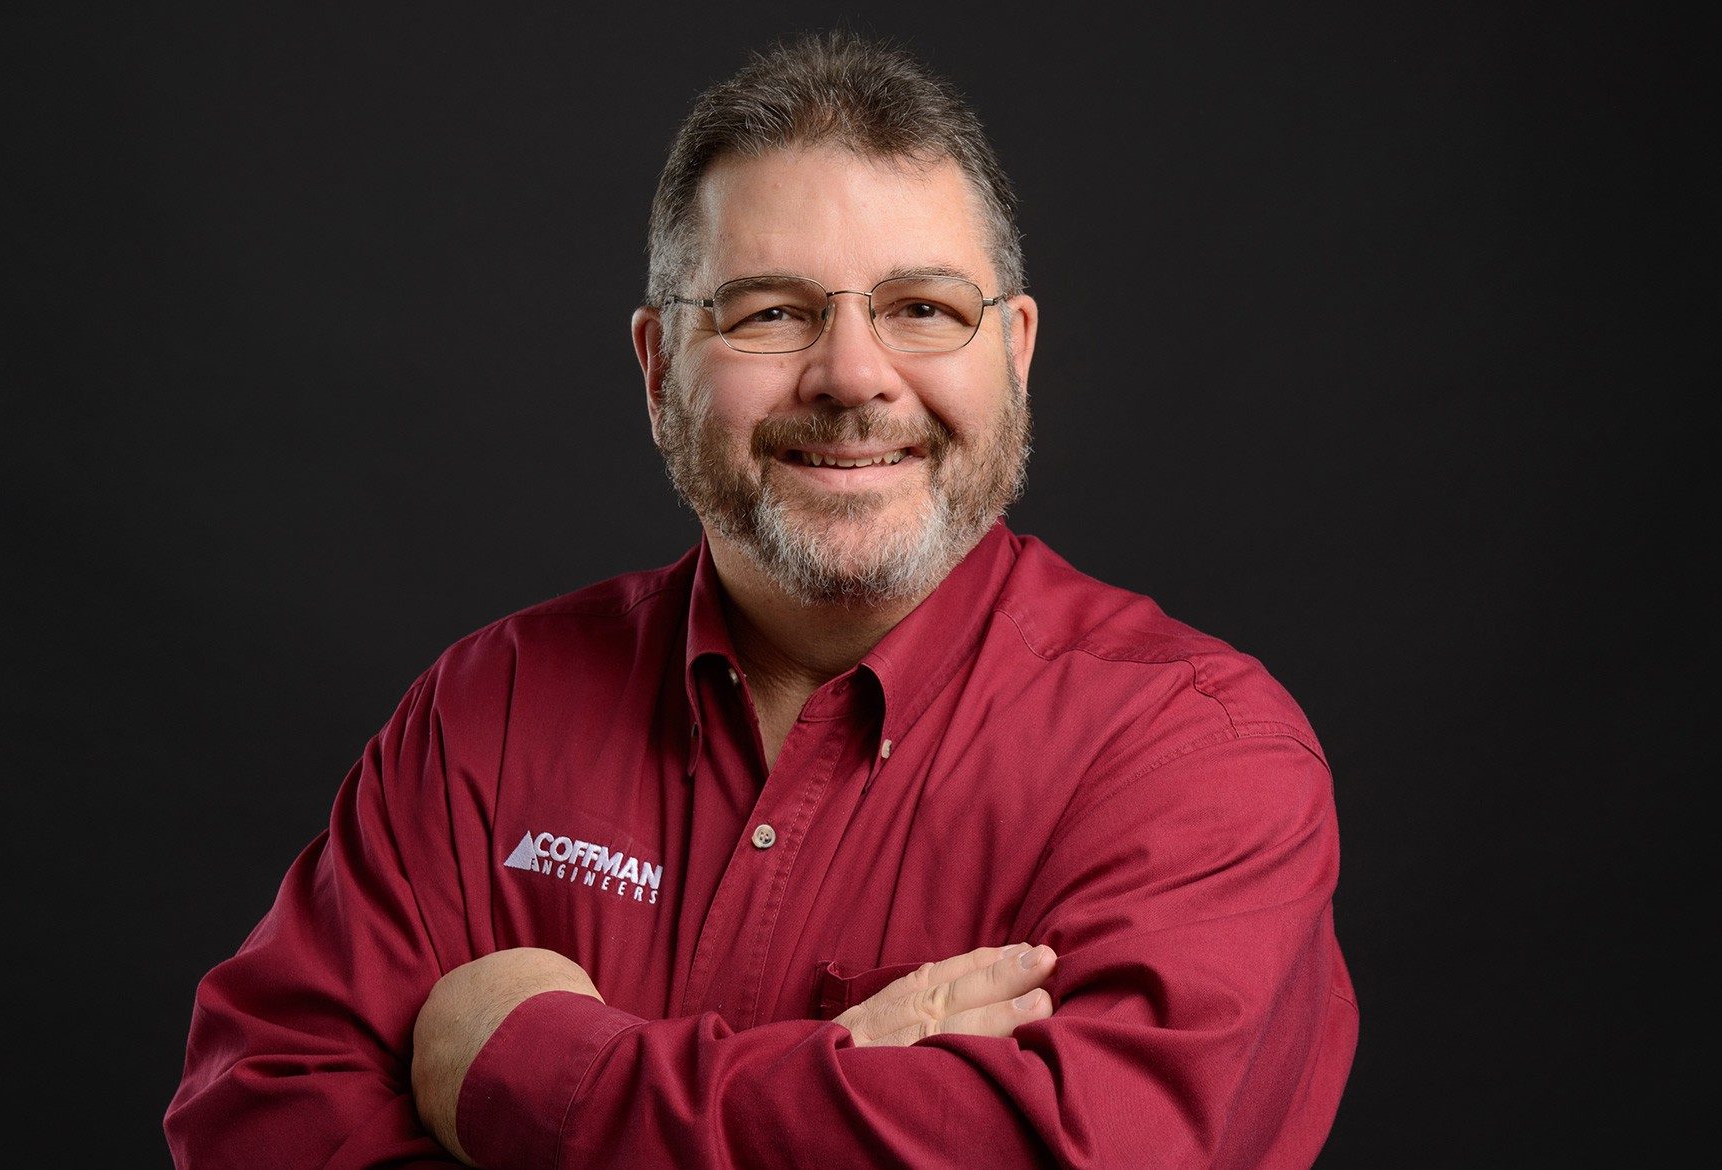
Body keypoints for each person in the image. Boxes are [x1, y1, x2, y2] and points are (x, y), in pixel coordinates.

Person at [166, 30, 1357, 1169]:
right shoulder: (490, 713)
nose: (850, 375)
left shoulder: (1196, 758)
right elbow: (257, 1115)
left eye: (922, 309)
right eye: (771, 311)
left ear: (1017, 353)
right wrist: (849, 1078)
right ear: (655, 368)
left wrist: (527, 1070)